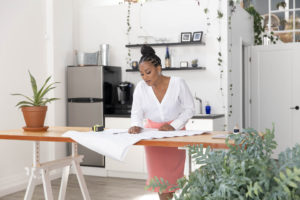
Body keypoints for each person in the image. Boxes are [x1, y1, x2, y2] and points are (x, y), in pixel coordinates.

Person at [128, 45, 195, 200]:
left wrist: (174, 125)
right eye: (142, 74)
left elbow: (190, 109)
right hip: (153, 137)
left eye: (148, 72)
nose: (145, 77)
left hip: (174, 135)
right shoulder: (141, 88)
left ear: (159, 68)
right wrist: (136, 124)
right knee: (160, 183)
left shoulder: (178, 83)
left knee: (171, 183)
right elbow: (136, 111)